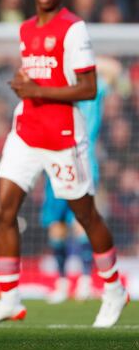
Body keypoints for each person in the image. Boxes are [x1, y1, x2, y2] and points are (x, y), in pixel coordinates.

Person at [0, 0, 128, 328]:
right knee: (3, 211)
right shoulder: (26, 29)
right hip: (25, 132)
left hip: (62, 137)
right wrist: (25, 86)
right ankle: (9, 298)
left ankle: (113, 288)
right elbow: (35, 78)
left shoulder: (74, 29)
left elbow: (88, 88)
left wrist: (36, 89)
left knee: (85, 213)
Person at [44, 57, 121, 304]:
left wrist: (81, 61)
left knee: (83, 221)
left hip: (83, 163)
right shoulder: (54, 90)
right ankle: (63, 282)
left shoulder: (92, 87)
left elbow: (114, 68)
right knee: (56, 223)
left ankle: (85, 282)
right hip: (55, 162)